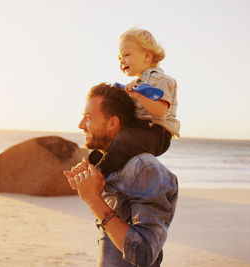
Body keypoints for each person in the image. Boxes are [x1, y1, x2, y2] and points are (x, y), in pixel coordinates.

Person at [64, 83, 178, 267]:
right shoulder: (111, 166)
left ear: (112, 123)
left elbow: (144, 254)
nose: (80, 125)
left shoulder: (145, 169)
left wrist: (94, 201)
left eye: (88, 117)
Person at [90, 27, 180, 178]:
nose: (122, 61)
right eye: (119, 58)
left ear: (147, 56)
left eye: (126, 55)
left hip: (157, 133)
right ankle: (90, 164)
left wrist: (138, 96)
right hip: (140, 129)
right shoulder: (136, 83)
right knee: (109, 139)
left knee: (124, 142)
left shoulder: (160, 80)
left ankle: (100, 173)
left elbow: (160, 111)